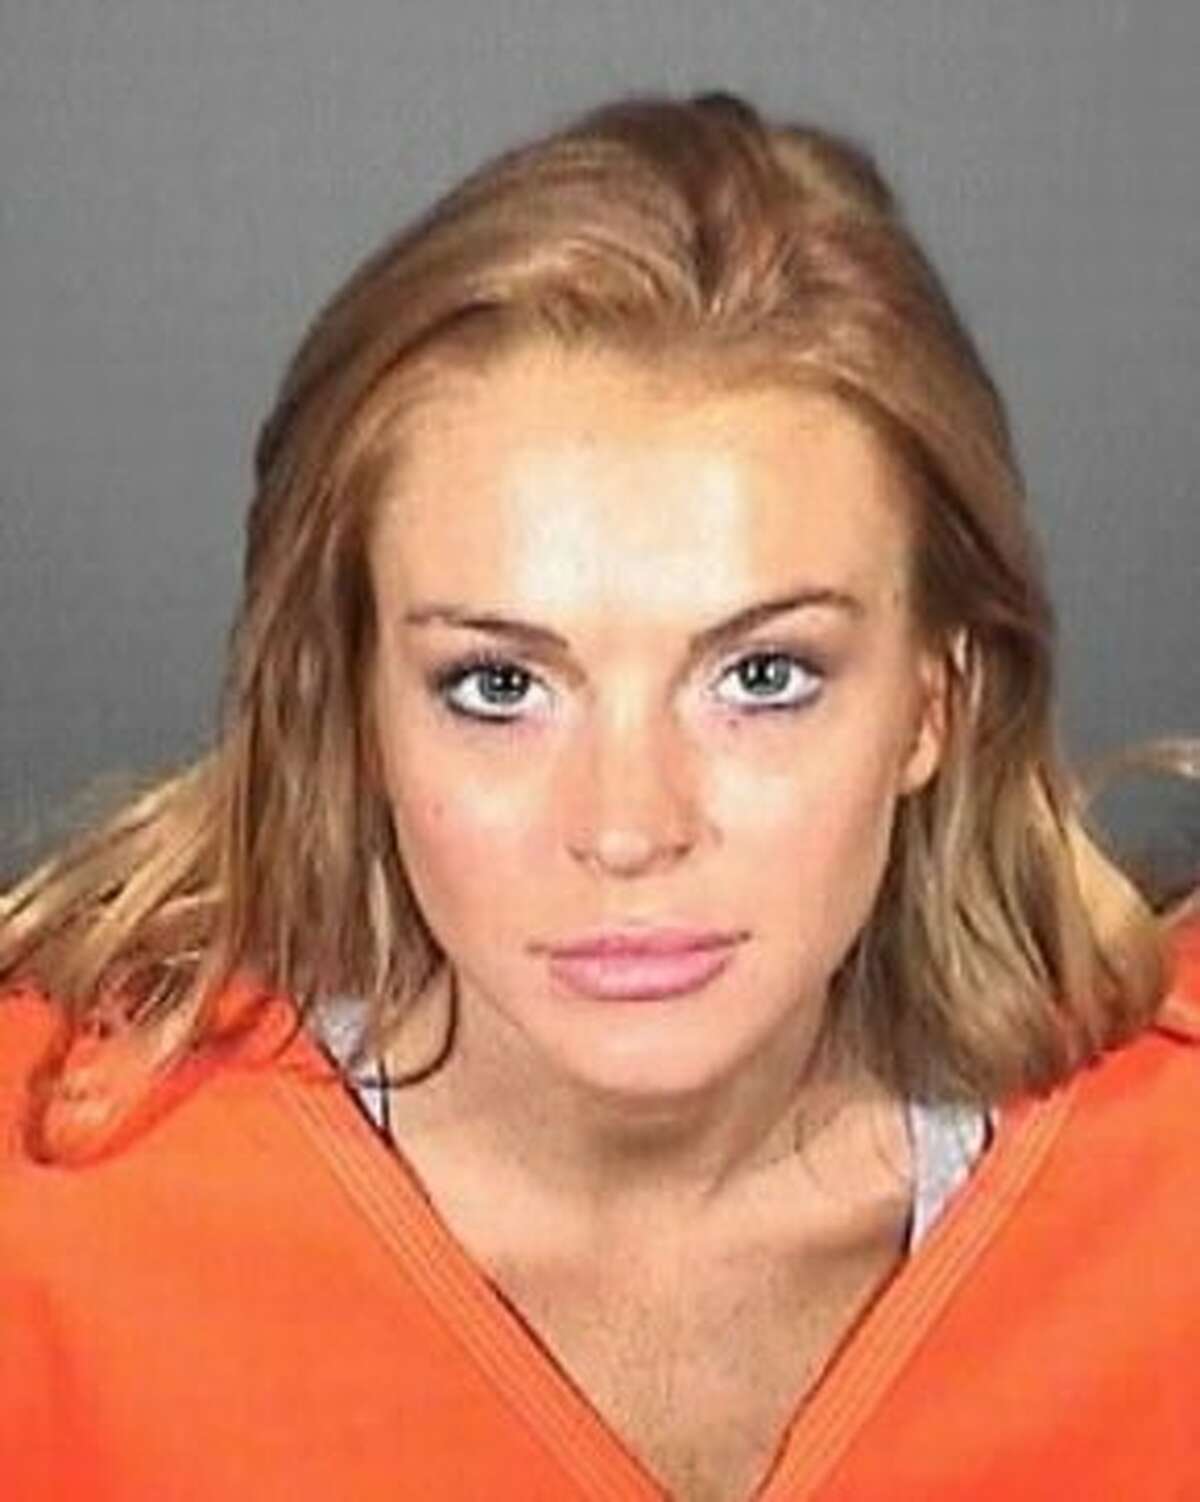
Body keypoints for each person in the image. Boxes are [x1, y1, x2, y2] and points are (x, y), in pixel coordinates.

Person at [1, 91, 1197, 1502]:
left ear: (934, 704)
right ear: (357, 710)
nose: (629, 830)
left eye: (762, 675)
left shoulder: (1165, 1207)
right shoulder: (50, 1233)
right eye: (500, 685)